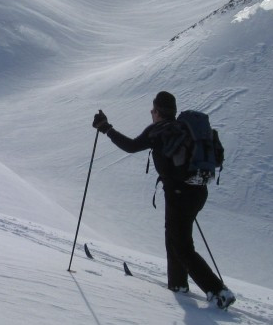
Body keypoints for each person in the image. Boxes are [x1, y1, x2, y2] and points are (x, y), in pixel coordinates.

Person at [92, 91, 235, 309]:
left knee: (181, 245)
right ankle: (177, 285)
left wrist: (106, 129)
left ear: (158, 112)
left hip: (179, 193)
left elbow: (131, 146)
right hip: (198, 191)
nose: (151, 113)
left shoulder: (159, 131)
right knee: (175, 237)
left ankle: (217, 291)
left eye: (153, 110)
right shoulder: (183, 130)